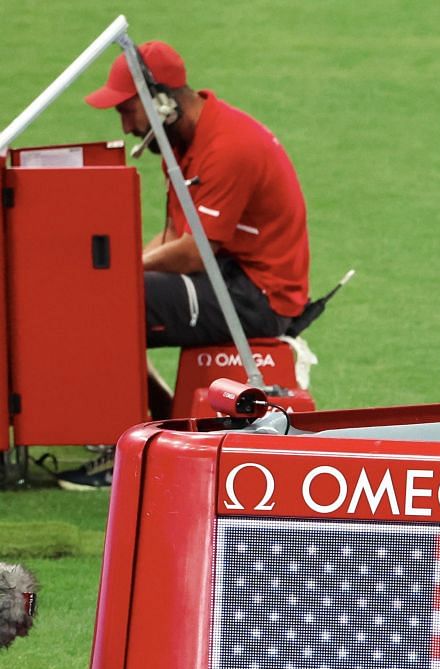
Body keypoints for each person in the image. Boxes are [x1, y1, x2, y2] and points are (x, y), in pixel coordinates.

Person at [56, 41, 310, 490]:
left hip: (258, 296)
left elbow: (195, 251)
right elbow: (175, 236)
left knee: (116, 303)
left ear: (161, 101)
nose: (128, 125)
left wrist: (120, 274)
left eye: (128, 110)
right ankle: (162, 427)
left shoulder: (228, 146)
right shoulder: (189, 141)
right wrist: (119, 270)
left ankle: (130, 453)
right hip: (231, 273)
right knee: (112, 294)